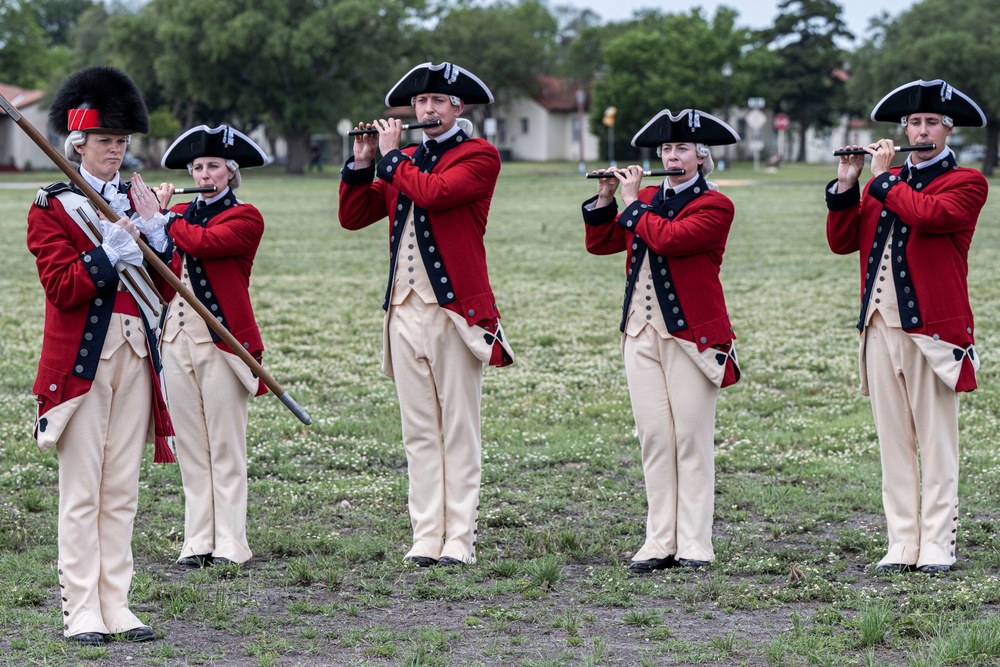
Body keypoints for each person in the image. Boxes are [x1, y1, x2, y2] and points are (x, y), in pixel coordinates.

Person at [339, 62, 514, 567]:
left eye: (438, 101)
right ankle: (425, 534)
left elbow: (436, 194)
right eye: (420, 103)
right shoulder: (406, 159)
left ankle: (459, 537)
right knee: (418, 432)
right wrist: (362, 160)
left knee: (459, 428)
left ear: (458, 108)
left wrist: (391, 158)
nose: (427, 110)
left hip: (455, 313)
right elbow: (354, 217)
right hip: (402, 310)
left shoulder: (479, 155)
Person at [27, 66, 175, 645]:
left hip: (137, 353)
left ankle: (117, 603)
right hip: (84, 363)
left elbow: (163, 293)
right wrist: (109, 253)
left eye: (121, 141)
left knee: (122, 490)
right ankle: (80, 609)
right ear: (78, 144)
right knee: (83, 490)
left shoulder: (134, 200)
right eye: (105, 141)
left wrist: (157, 238)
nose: (115, 151)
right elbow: (62, 288)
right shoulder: (54, 206)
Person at [826, 79, 989, 575]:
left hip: (932, 332)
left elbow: (928, 215)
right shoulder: (882, 183)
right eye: (914, 123)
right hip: (877, 326)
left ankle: (938, 541)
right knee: (893, 439)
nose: (921, 129)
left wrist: (879, 178)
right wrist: (847, 184)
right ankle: (902, 541)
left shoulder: (966, 182)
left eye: (930, 122)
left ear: (947, 129)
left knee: (936, 441)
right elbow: (841, 242)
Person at [582, 109, 741, 573]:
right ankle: (659, 539)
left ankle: (694, 541)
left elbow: (670, 240)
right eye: (667, 149)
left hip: (693, 335)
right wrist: (606, 199)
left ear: (701, 157)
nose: (672, 155)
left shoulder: (715, 204)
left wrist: (631, 203)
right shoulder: (646, 197)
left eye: (682, 149)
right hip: (639, 331)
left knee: (690, 437)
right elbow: (602, 244)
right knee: (654, 437)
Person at [155, 125, 270, 568]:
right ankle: (198, 538)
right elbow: (160, 258)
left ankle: (232, 542)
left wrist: (162, 218)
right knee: (192, 444)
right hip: (175, 339)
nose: (204, 174)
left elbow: (203, 244)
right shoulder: (179, 214)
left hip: (224, 345)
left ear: (230, 172)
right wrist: (152, 223)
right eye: (197, 167)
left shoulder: (245, 217)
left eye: (213, 167)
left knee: (225, 445)